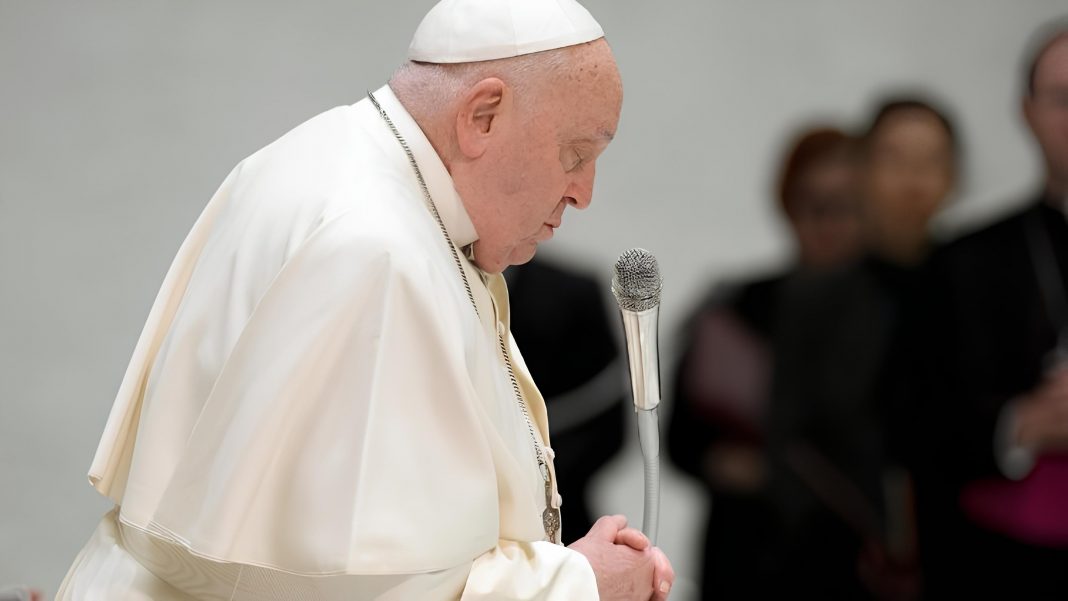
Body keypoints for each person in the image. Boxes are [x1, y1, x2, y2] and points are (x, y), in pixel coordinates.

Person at [55, 1, 674, 599]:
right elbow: (356, 585)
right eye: (575, 154)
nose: (583, 192)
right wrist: (579, 584)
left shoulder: (329, 160)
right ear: (482, 116)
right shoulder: (376, 248)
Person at [769, 98, 958, 600]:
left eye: (930, 161)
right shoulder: (817, 295)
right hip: (837, 555)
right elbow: (790, 439)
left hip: (961, 546)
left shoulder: (974, 282)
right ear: (864, 171)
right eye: (894, 159)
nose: (913, 181)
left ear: (953, 176)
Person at [904, 21, 1068, 598]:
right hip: (1005, 565)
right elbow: (918, 423)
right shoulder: (965, 262)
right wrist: (1021, 425)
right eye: (1062, 98)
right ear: (1027, 112)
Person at [668, 126, 862, 600]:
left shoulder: (898, 311)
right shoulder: (736, 307)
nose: (827, 222)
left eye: (845, 205)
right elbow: (680, 440)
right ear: (788, 205)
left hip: (854, 557)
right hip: (748, 554)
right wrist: (723, 461)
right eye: (812, 204)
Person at [506, 256, 627, 546]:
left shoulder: (572, 291)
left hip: (562, 509)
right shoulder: (432, 281)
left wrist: (532, 476)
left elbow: (604, 417)